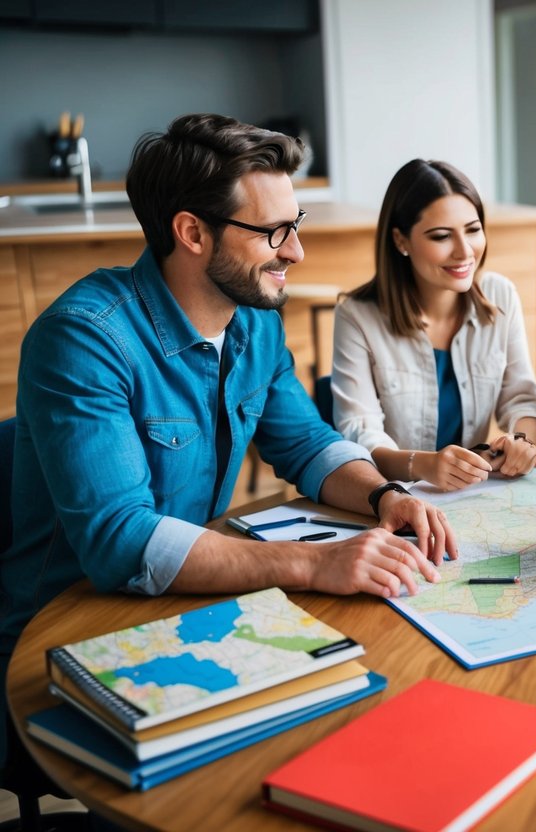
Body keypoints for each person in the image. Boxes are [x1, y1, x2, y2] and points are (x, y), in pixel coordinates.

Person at [0, 114, 458, 764]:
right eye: (274, 231)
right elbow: (120, 540)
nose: (295, 251)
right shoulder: (84, 339)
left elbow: (304, 444)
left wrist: (384, 495)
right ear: (191, 232)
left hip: (182, 612)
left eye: (293, 225)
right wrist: (313, 563)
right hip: (65, 641)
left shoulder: (253, 321)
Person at [331, 159, 536, 492]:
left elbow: (523, 399)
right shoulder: (357, 316)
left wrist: (522, 442)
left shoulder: (500, 295)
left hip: (472, 495)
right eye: (441, 236)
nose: (464, 252)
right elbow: (360, 436)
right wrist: (422, 464)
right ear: (401, 241)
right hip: (394, 500)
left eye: (473, 230)